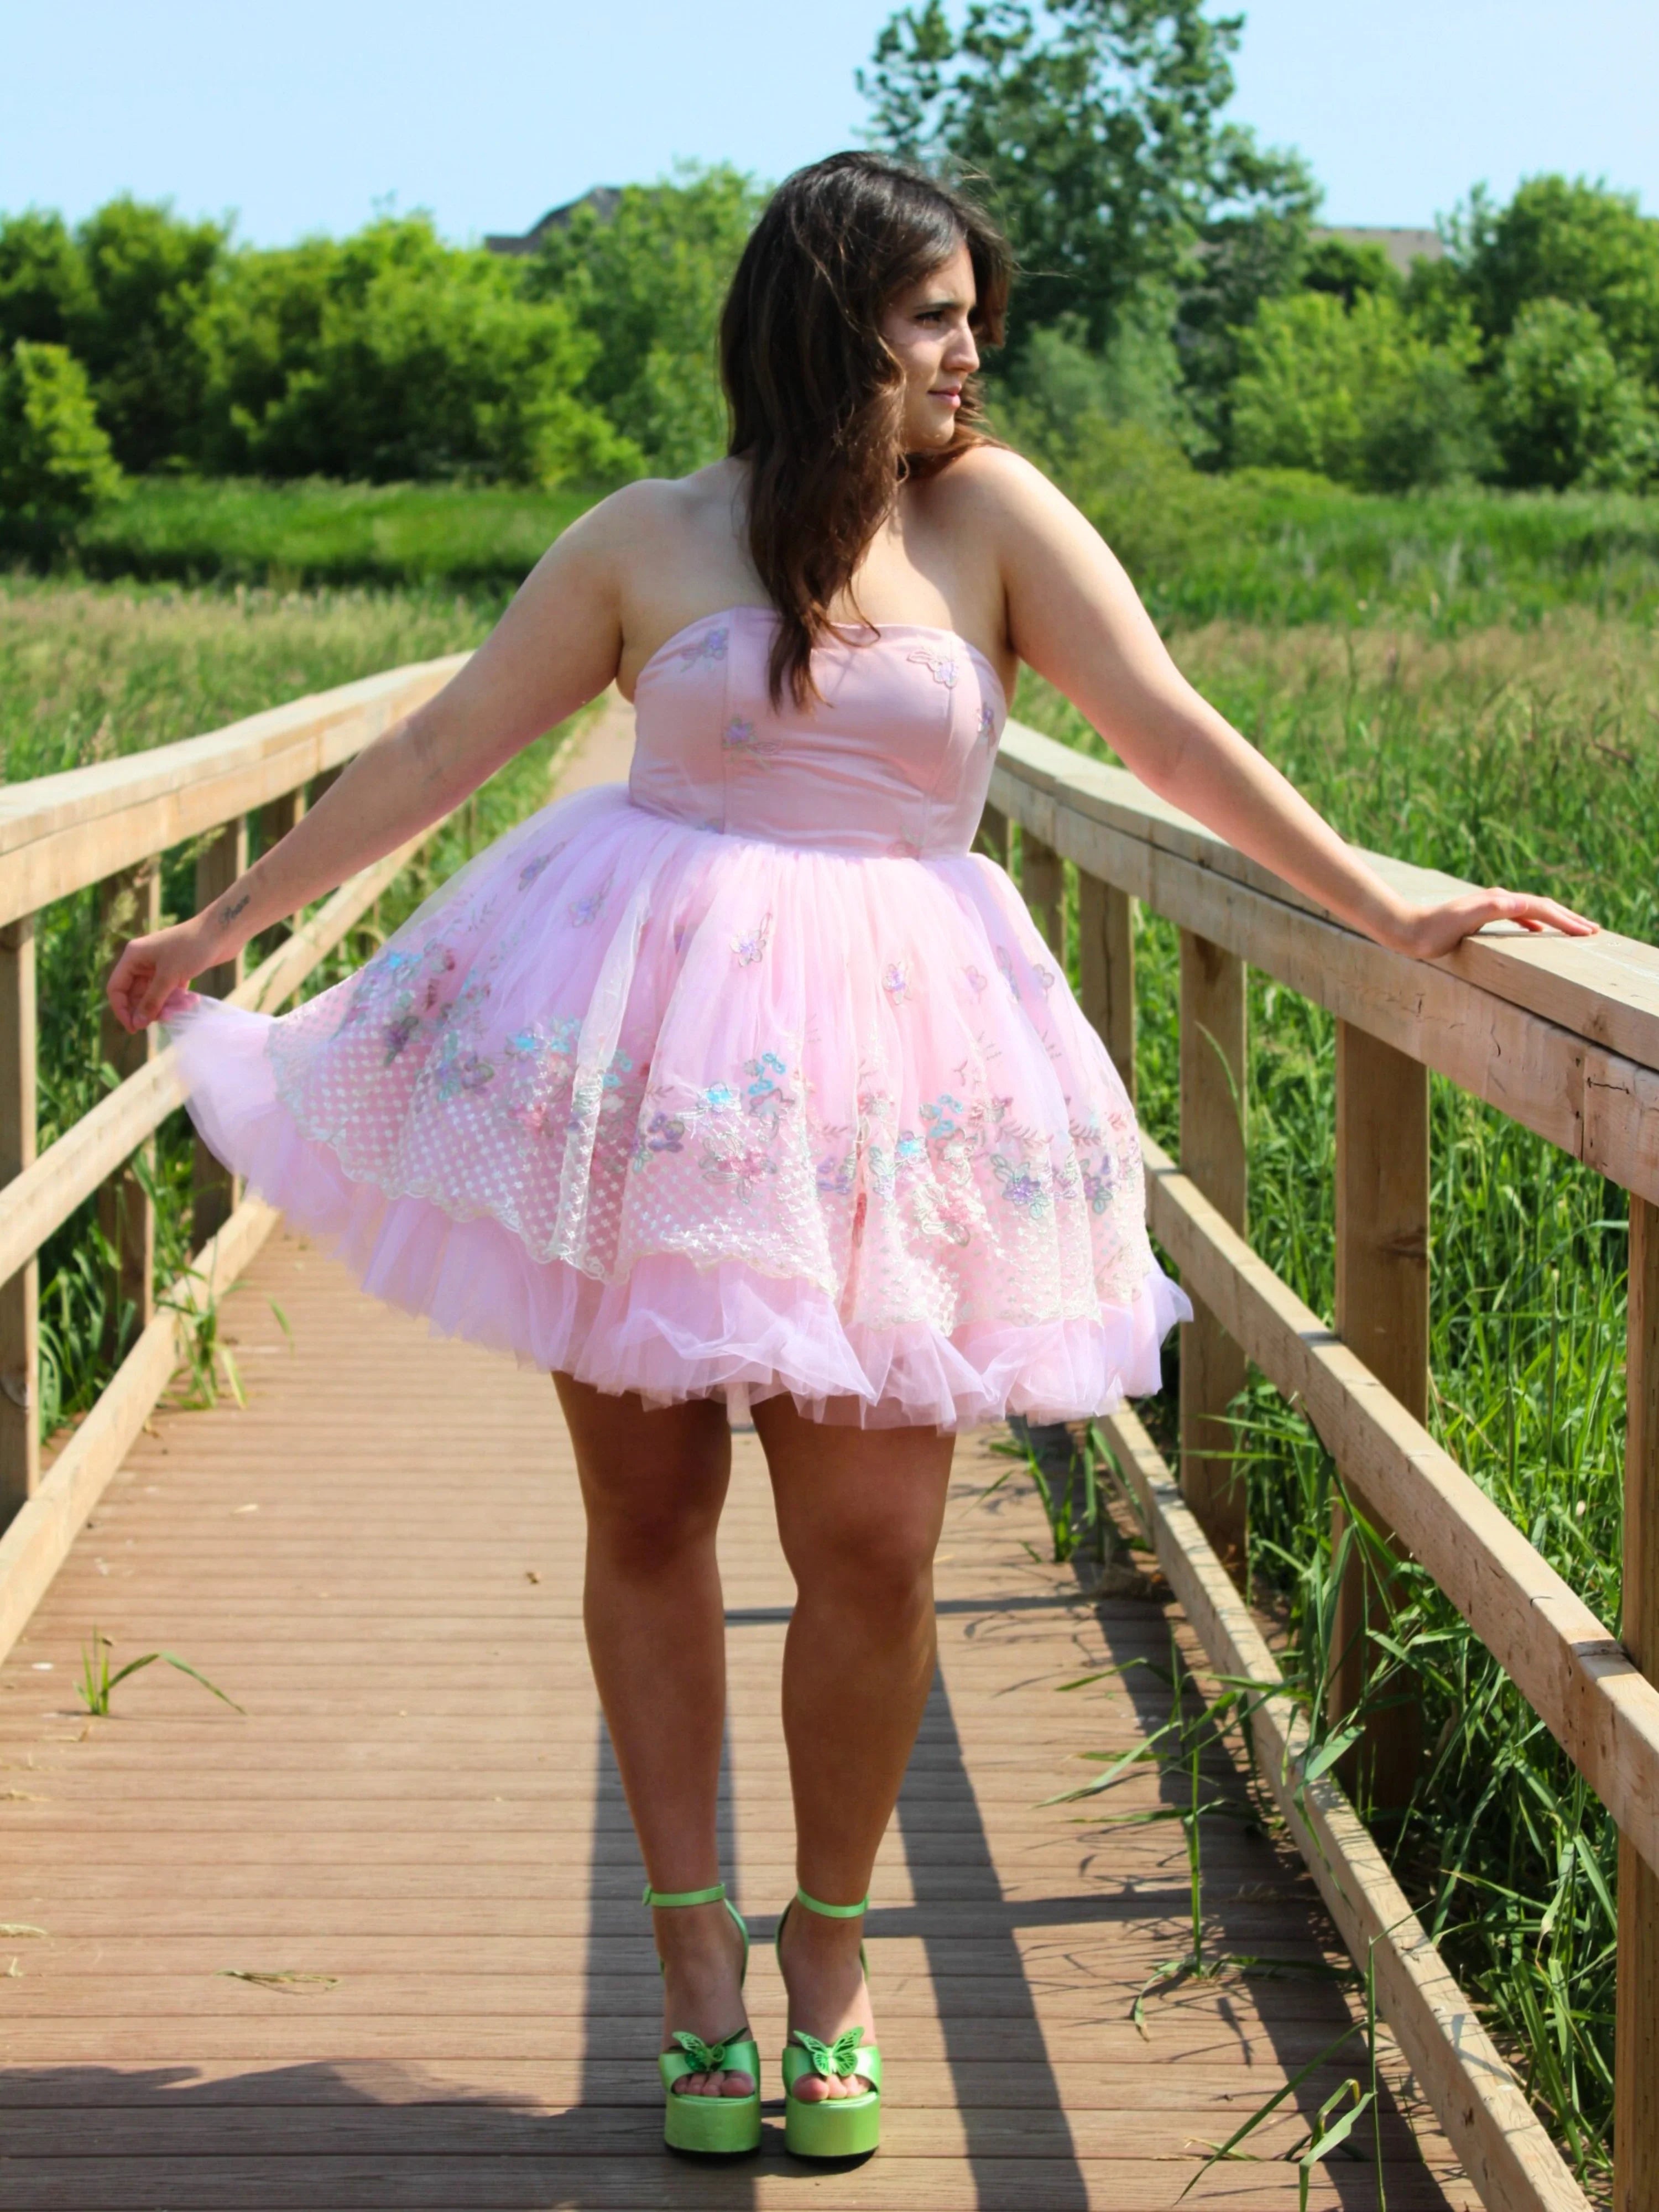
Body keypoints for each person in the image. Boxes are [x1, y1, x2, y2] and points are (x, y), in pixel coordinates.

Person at [106, 152, 1596, 2163]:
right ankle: (695, 1961)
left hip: (903, 1079)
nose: (973, 349)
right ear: (830, 328)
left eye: (977, 312)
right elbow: (440, 750)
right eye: (934, 317)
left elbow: (1164, 729)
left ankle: (831, 1948)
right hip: (644, 1062)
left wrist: (1384, 901)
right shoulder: (648, 540)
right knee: (648, 1519)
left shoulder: (992, 523)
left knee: (874, 1544)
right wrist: (220, 932)